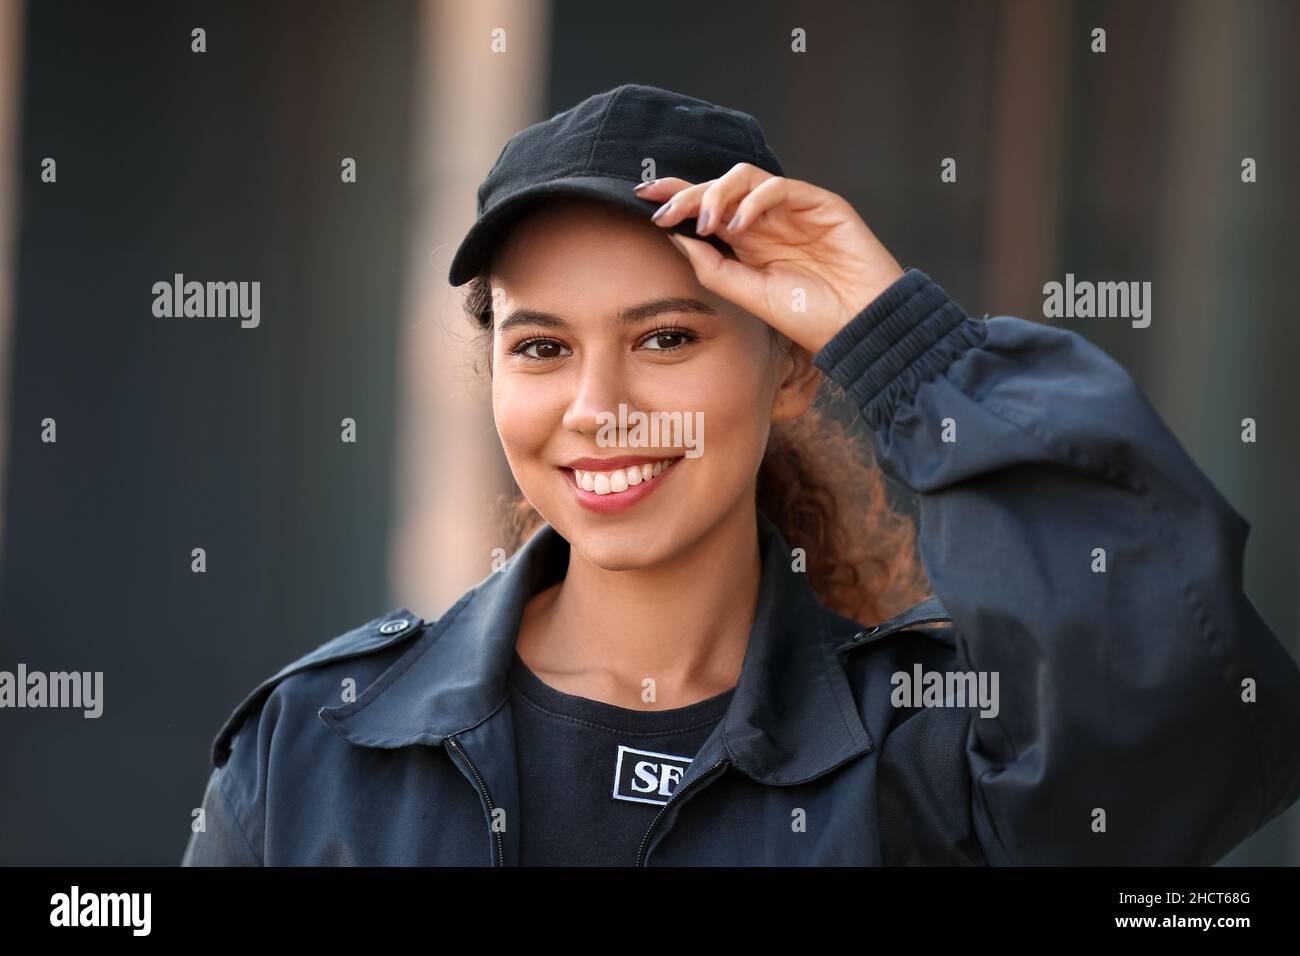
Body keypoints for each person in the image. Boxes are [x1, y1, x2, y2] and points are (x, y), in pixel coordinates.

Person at [181, 83, 1300, 866]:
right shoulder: (318, 746)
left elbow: (1185, 715)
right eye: (541, 345)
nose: (597, 406)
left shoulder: (925, 754)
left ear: (791, 371)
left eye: (666, 337)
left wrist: (906, 348)